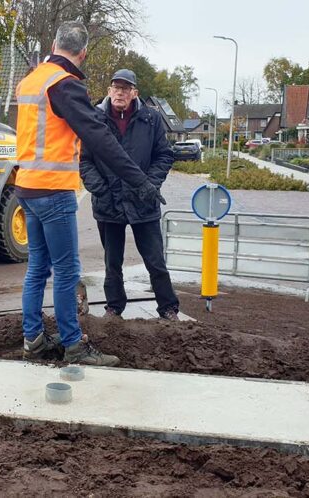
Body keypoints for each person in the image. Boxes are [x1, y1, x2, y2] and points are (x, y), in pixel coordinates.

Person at [15, 21, 164, 367]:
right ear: (82, 53)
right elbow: (100, 138)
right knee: (67, 271)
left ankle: (33, 339)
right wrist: (140, 181)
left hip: (26, 188)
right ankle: (73, 345)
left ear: (54, 44)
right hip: (53, 192)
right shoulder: (64, 86)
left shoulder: (31, 80)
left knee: (37, 268)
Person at [80, 69, 180, 321]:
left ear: (135, 92)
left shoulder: (151, 120)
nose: (120, 92)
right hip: (108, 203)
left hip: (142, 202)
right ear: (109, 90)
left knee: (155, 260)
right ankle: (114, 308)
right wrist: (101, 189)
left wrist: (150, 185)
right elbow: (85, 162)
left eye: (125, 88)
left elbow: (164, 155)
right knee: (112, 263)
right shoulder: (96, 120)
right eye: (116, 87)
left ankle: (168, 308)